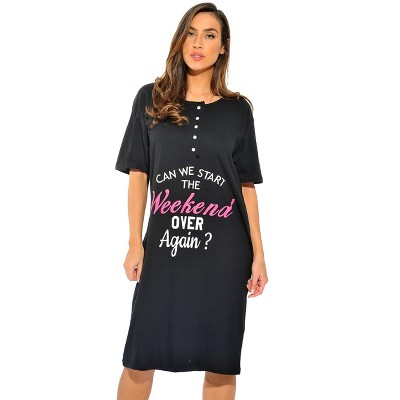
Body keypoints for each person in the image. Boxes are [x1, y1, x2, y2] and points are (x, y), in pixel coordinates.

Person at [115, 3, 268, 399]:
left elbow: (246, 186)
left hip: (224, 254)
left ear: (223, 46)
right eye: (191, 33)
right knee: (140, 353)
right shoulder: (150, 98)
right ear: (180, 40)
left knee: (220, 357)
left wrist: (259, 255)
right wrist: (135, 241)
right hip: (164, 249)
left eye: (210, 35)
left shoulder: (238, 111)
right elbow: (138, 174)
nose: (198, 43)